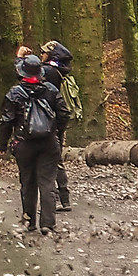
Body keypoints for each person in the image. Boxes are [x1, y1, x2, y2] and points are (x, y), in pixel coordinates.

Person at [0, 52, 66, 232]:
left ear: (23, 72)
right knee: (48, 182)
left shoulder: (14, 93)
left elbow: (6, 120)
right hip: (49, 143)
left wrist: (2, 145)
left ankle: (29, 221)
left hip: (24, 144)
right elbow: (64, 113)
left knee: (27, 182)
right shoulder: (51, 90)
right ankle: (48, 224)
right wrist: (56, 131)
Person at [42, 40, 83, 213]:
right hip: (59, 121)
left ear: (52, 55)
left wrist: (19, 58)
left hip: (51, 122)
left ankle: (59, 199)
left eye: (44, 52)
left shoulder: (49, 72)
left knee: (52, 160)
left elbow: (23, 74)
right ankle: (63, 198)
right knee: (56, 158)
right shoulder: (59, 71)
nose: (41, 55)